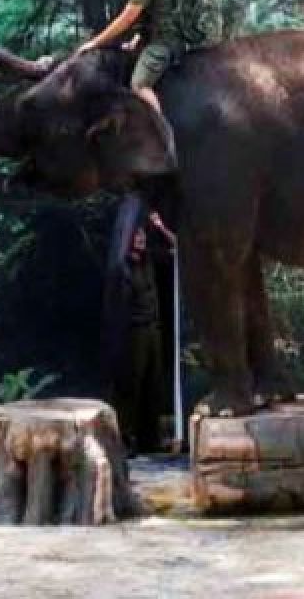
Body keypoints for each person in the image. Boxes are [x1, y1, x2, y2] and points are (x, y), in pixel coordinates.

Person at [76, 0, 183, 119]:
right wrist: (137, 39)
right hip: (160, 38)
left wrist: (93, 43)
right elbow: (154, 16)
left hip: (162, 44)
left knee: (139, 85)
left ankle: (160, 131)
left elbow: (126, 19)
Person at [101, 193, 176, 454]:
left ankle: (149, 438)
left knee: (152, 384)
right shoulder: (122, 269)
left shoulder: (149, 259)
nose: (142, 239)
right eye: (138, 235)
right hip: (133, 333)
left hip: (152, 329)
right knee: (130, 385)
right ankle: (124, 438)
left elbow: (176, 249)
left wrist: (160, 227)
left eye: (144, 236)